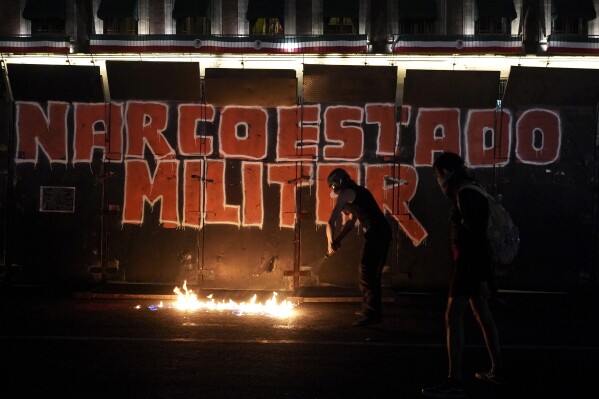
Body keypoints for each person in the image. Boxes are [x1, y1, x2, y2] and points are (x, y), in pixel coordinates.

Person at [422, 152, 506, 398]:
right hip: (474, 264)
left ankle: (455, 381)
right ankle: (498, 370)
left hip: (468, 264)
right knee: (482, 316)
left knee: (453, 318)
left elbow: (475, 237)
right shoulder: (473, 188)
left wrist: (483, 278)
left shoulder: (464, 193)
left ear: (445, 173)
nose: (438, 182)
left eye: (437, 175)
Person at [326, 168, 392, 326]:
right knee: (370, 272)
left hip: (377, 233)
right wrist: (338, 239)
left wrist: (329, 244)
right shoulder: (357, 192)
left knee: (367, 271)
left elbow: (330, 222)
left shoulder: (346, 193)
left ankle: (372, 314)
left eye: (333, 188)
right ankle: (372, 311)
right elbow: (350, 222)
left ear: (338, 184)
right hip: (380, 232)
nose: (335, 193)